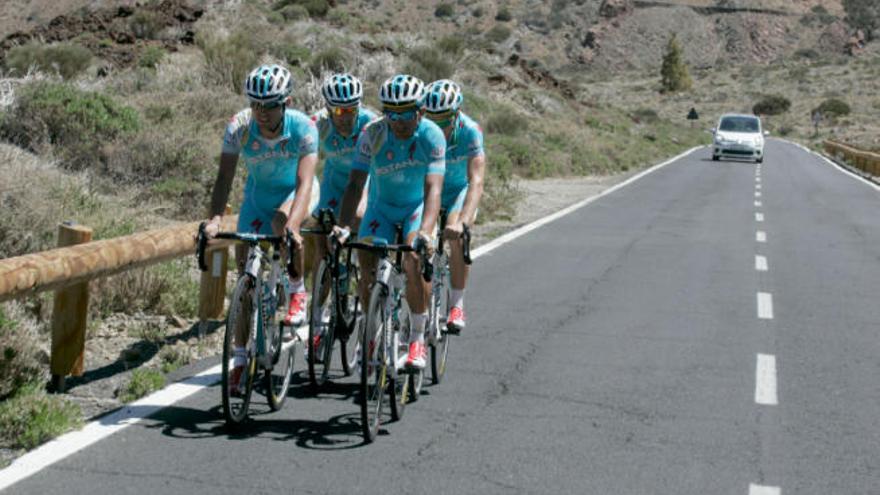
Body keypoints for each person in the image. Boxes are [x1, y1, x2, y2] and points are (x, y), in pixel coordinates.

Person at [203, 63, 318, 392]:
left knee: (282, 224)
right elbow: (224, 178)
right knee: (245, 282)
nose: (261, 113)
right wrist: (213, 219)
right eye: (255, 104)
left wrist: (294, 225)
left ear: (287, 102)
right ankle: (240, 360)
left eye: (269, 106)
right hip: (257, 198)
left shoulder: (303, 127)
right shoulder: (239, 126)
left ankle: (296, 291)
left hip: (295, 194)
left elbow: (305, 180)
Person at [336, 74, 446, 370]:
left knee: (411, 258)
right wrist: (344, 225)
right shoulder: (372, 134)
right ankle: (371, 330)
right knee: (366, 262)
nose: (397, 121)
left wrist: (425, 230)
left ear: (421, 111)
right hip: (380, 208)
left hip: (415, 208)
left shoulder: (432, 135)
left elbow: (433, 188)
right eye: (391, 113)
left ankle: (418, 339)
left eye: (406, 113)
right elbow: (355, 183)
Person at [306, 73, 377, 352]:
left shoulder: (371, 124)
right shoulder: (319, 124)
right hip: (334, 187)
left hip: (366, 184)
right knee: (322, 243)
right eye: (338, 110)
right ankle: (319, 316)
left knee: (358, 220)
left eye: (350, 109)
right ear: (327, 108)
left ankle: (366, 301)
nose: (345, 116)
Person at [423, 80, 485, 333]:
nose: (438, 125)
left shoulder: (470, 131)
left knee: (455, 235)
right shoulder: (422, 131)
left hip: (457, 192)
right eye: (433, 118)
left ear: (456, 113)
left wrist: (463, 221)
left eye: (444, 119)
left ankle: (456, 304)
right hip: (429, 190)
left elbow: (477, 180)